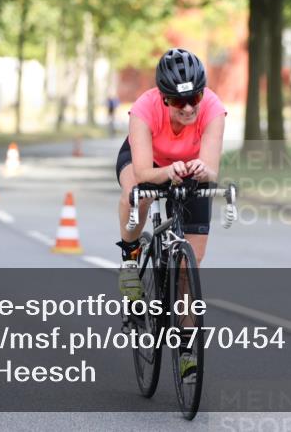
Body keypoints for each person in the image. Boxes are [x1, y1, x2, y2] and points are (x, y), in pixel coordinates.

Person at [114, 48, 225, 382]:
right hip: (148, 164)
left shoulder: (213, 108)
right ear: (163, 99)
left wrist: (198, 170)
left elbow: (211, 168)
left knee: (186, 272)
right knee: (138, 193)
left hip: (187, 170)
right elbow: (146, 170)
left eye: (194, 97)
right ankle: (131, 262)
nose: (189, 107)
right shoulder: (144, 109)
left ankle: (188, 352)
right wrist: (168, 171)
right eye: (179, 102)